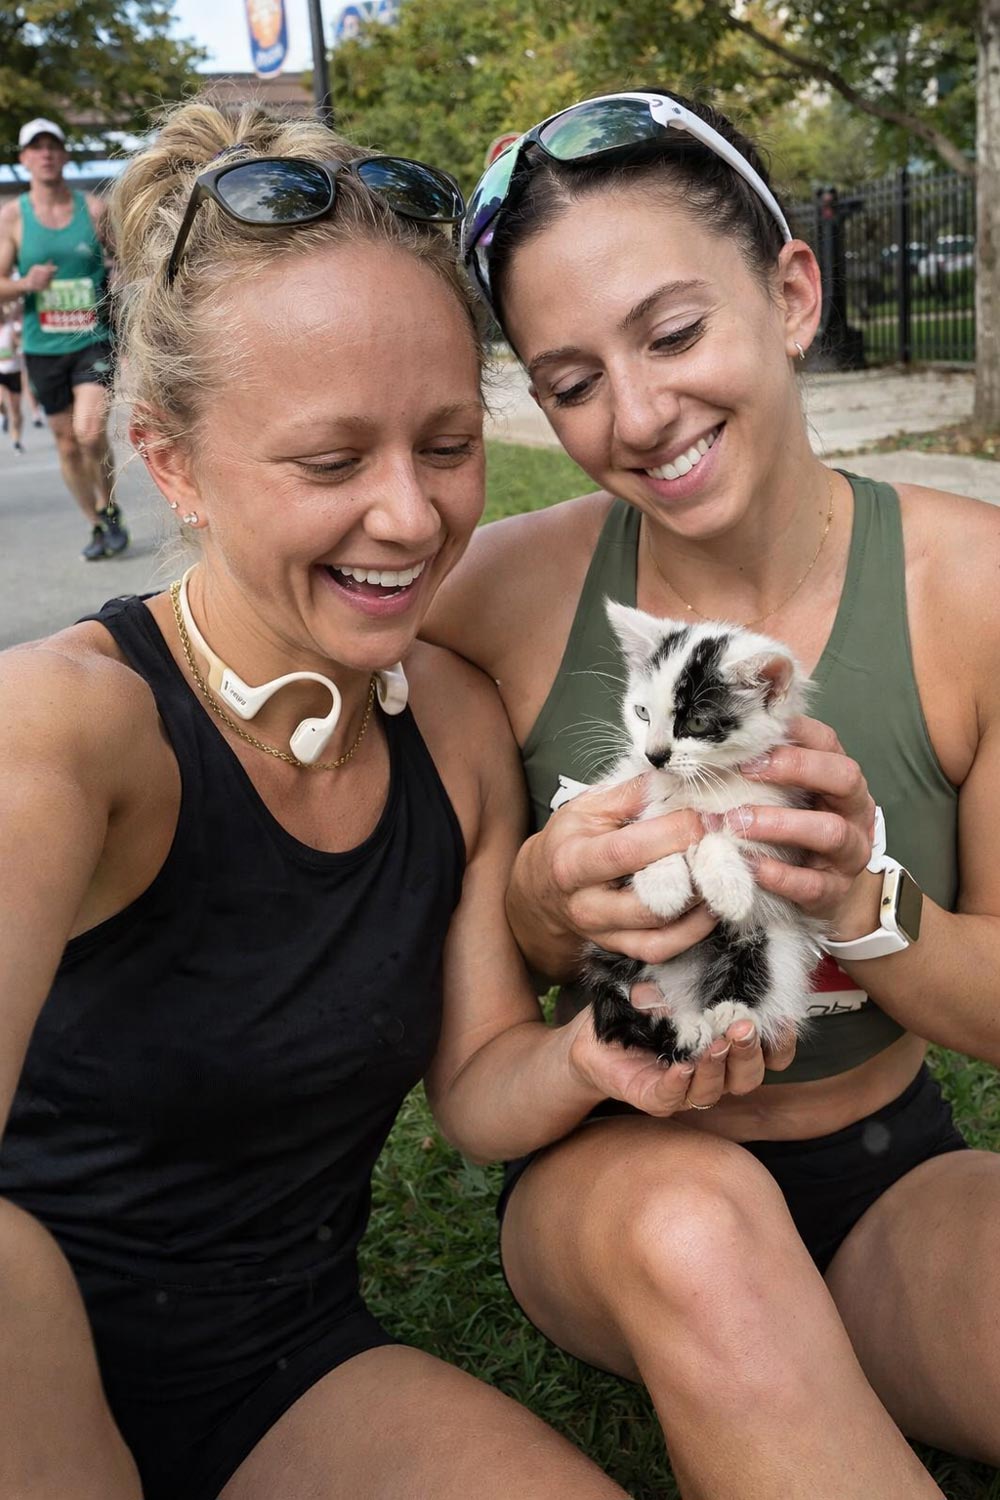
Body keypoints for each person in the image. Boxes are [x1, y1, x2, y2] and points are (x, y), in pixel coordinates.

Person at [0, 99, 650, 1500]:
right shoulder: (64, 731)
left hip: (274, 1362)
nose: (412, 518)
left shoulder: (457, 732)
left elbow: (476, 1084)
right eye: (332, 461)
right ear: (171, 460)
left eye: (446, 443)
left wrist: (602, 1049)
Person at [424, 88, 1000, 1497]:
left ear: (793, 292)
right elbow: (472, 1022)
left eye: (673, 333)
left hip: (889, 1172)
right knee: (704, 1239)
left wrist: (865, 900)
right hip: (623, 1174)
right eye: (568, 382)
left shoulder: (973, 592)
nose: (637, 414)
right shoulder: (494, 600)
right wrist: (542, 900)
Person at [0, 118, 128, 559]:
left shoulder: (92, 209)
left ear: (64, 155)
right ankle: (96, 522)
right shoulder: (13, 217)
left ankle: (109, 507)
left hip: (92, 337)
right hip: (42, 346)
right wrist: (25, 284)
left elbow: (124, 261)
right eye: (36, 147)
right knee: (67, 444)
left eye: (53, 145)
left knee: (89, 432)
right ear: (24, 160)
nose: (46, 153)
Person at [0, 301, 25, 452]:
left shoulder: (12, 327)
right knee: (0, 400)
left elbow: (19, 343)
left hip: (14, 371)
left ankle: (16, 440)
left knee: (15, 410)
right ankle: (3, 416)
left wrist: (18, 345)